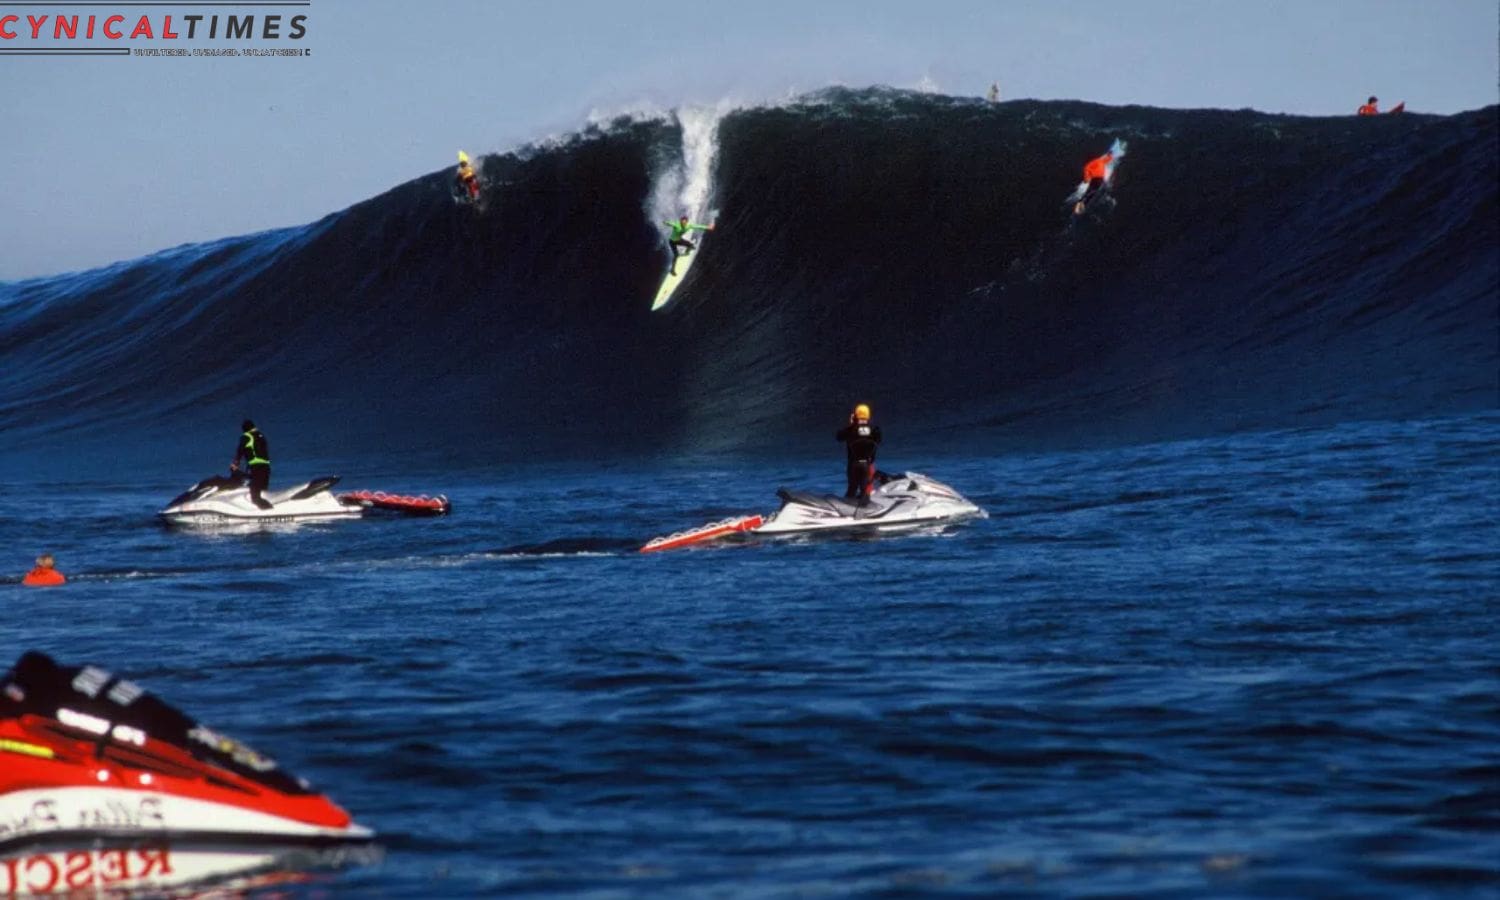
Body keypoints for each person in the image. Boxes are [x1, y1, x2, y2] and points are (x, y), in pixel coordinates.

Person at [835, 403, 883, 503]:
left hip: (853, 463)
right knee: (864, 490)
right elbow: (878, 440)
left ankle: (847, 508)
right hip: (867, 463)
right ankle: (864, 509)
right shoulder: (874, 429)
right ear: (868, 415)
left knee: (852, 488)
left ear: (856, 415)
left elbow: (839, 437)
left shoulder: (851, 429)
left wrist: (852, 424)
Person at [231, 419, 273, 509]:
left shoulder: (247, 436)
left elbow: (240, 450)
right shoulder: (260, 436)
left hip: (257, 468)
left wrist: (235, 464)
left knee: (255, 497)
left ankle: (269, 512)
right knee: (262, 493)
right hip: (266, 468)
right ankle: (264, 511)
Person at [1074, 149, 1113, 215]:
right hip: (1095, 178)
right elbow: (1086, 168)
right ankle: (1079, 203)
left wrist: (1110, 155)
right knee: (1090, 191)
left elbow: (1108, 160)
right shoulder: (1093, 162)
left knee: (1093, 192)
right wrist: (1086, 178)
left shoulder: (1100, 160)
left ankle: (1083, 205)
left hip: (1100, 179)